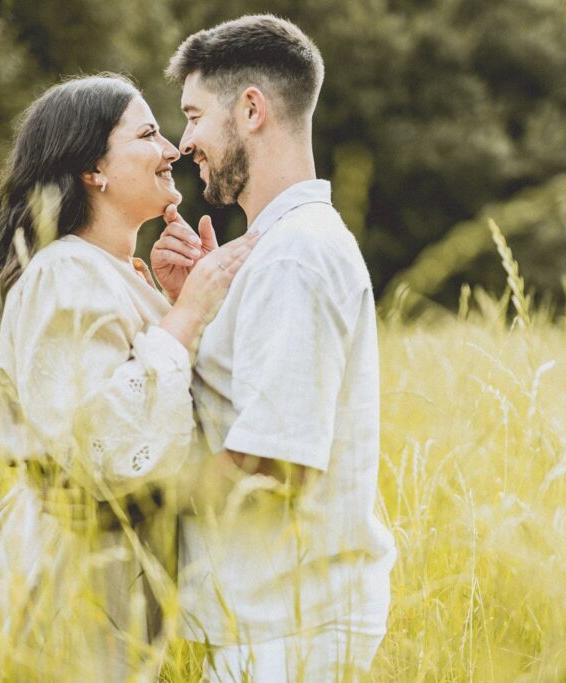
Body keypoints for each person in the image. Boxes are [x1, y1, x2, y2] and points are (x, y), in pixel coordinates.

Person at [0, 74, 257, 681]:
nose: (172, 150)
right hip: (61, 583)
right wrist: (185, 314)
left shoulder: (100, 271)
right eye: (149, 133)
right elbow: (97, 440)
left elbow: (170, 409)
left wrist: (180, 302)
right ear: (92, 170)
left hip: (104, 583)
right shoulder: (63, 272)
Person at [150, 15, 397, 681]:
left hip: (287, 637)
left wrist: (137, 492)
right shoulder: (276, 251)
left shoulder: (297, 255)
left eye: (194, 115)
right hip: (270, 627)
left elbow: (274, 463)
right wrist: (195, 308)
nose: (184, 142)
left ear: (250, 109)